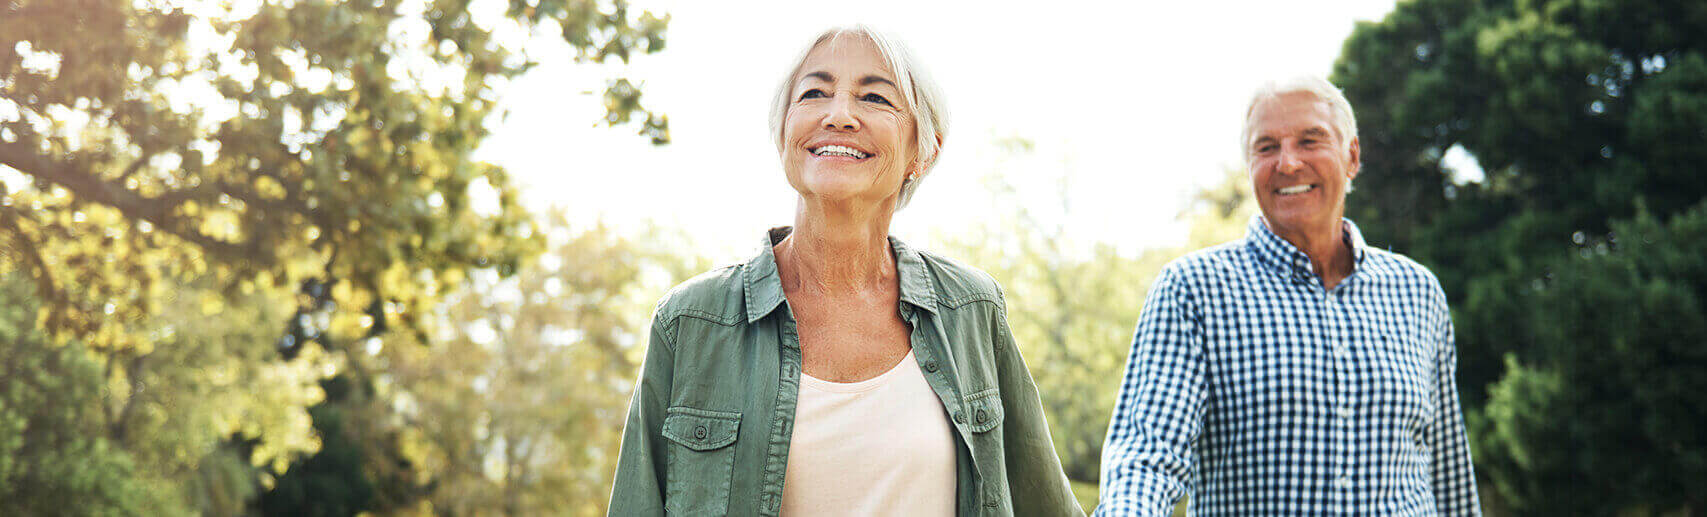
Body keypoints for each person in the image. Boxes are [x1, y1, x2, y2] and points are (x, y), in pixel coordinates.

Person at [608, 25, 1082, 517]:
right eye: (814, 93)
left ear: (924, 151)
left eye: (874, 97)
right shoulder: (691, 322)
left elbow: (1045, 504)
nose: (838, 115)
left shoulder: (972, 310)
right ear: (784, 133)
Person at [1095, 76, 1480, 516]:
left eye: (1310, 140)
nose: (1289, 163)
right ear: (1249, 166)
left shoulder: (1418, 292)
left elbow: (1449, 476)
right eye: (1267, 147)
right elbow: (1147, 456)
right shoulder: (1193, 289)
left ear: (1351, 156)